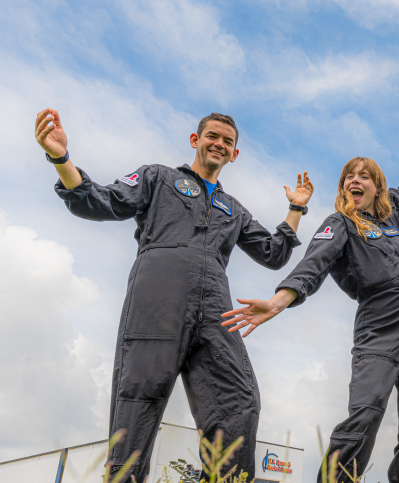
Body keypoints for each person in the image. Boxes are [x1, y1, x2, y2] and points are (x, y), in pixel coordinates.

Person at [34, 109, 313, 482]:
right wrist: (60, 158)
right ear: (196, 140)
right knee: (139, 397)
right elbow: (99, 202)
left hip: (215, 306)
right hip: (158, 296)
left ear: (235, 154)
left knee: (238, 401)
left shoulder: (234, 209)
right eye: (212, 136)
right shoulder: (158, 178)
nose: (220, 144)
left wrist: (295, 208)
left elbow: (273, 253)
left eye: (228, 141)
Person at [221, 155, 399, 483]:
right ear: (342, 188)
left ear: (376, 186)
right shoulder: (340, 225)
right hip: (379, 325)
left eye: (364, 176)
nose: (355, 181)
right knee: (365, 413)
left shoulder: (393, 210)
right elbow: (314, 263)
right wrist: (278, 302)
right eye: (349, 177)